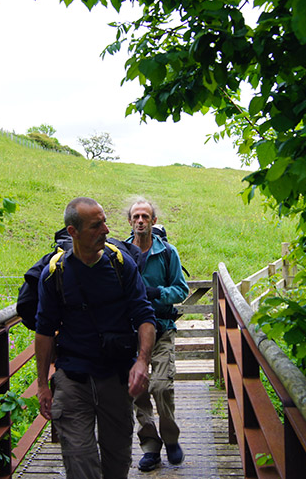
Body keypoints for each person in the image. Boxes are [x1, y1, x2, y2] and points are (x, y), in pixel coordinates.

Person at [35, 196, 156, 479]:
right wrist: (42, 385)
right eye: (95, 225)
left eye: (104, 222)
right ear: (72, 232)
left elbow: (144, 316)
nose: (105, 230)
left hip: (115, 377)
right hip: (72, 378)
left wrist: (142, 361)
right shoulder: (55, 274)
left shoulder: (121, 264)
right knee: (80, 461)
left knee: (117, 460)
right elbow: (44, 332)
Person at [126, 198, 190, 472]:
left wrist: (158, 293)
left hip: (162, 329)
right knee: (138, 392)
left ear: (153, 221)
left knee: (161, 387)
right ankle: (151, 447)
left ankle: (171, 439)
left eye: (145, 216)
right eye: (136, 216)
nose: (140, 221)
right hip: (130, 333)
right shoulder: (121, 254)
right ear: (130, 221)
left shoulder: (167, 252)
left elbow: (181, 289)